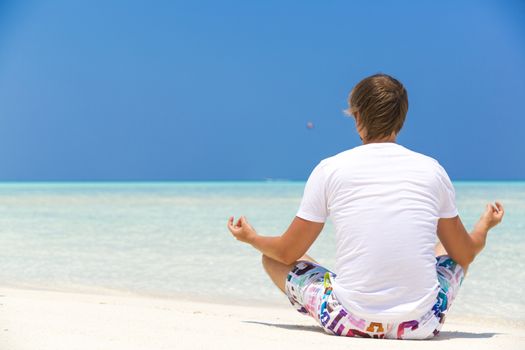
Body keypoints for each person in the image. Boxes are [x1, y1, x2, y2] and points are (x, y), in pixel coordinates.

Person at [226, 73, 504, 340]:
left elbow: (287, 253)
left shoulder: (330, 169)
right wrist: (484, 225)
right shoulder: (432, 171)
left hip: (348, 320)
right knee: (449, 250)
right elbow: (465, 254)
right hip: (421, 324)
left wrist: (251, 238)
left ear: (357, 117)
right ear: (401, 120)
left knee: (271, 257)